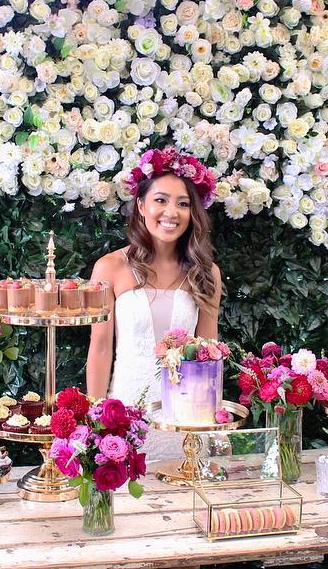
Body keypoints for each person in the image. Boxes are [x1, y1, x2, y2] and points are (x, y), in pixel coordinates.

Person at [86, 149, 222, 458]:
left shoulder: (206, 273)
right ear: (141, 205)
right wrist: (94, 417)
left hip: (185, 417)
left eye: (183, 203)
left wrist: (212, 423)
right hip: (124, 411)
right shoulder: (110, 268)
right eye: (161, 200)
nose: (171, 212)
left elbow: (209, 352)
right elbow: (101, 348)